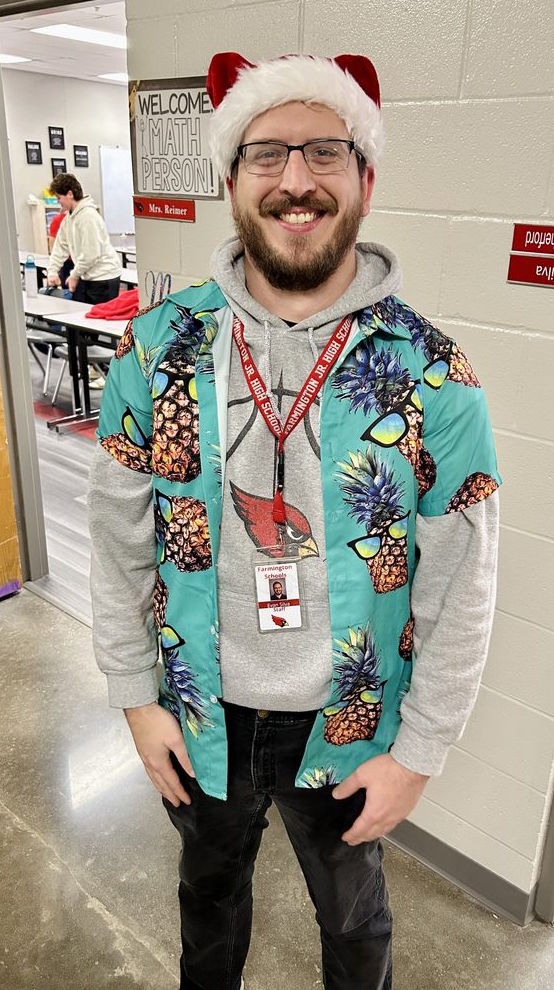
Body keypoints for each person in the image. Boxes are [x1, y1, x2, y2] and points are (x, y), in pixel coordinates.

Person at [88, 52, 501, 990]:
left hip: (351, 723)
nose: (297, 180)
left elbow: (461, 588)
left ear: (365, 178)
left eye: (326, 151)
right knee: (209, 899)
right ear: (231, 180)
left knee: (355, 926)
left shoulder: (436, 376)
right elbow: (115, 545)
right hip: (198, 708)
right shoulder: (154, 350)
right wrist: (135, 695)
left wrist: (421, 754)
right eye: (266, 153)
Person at [46, 173, 121, 305]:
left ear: (70, 194)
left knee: (98, 322)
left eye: (59, 198)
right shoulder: (69, 219)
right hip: (88, 276)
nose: (59, 202)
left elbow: (91, 255)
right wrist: (52, 272)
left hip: (104, 278)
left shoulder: (88, 217)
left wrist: (74, 275)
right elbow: (60, 248)